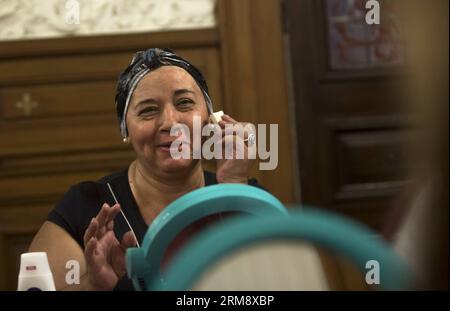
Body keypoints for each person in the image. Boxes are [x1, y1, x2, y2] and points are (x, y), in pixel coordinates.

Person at [28, 48, 262, 291]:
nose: (171, 123)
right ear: (126, 130)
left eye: (184, 103)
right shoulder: (86, 206)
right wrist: (93, 286)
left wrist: (234, 186)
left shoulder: (245, 194)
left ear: (210, 119)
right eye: (148, 110)